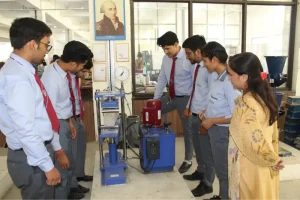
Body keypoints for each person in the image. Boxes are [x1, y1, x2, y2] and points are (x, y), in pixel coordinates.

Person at [0, 17, 66, 200]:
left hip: (34, 154)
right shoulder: (18, 78)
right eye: (46, 45)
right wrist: (47, 166)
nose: (46, 52)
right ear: (32, 44)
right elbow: (25, 128)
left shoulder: (22, 71)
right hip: (31, 160)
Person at [227, 52, 284, 200]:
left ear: (244, 77)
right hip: (263, 164)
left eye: (231, 74)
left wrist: (272, 159)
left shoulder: (246, 105)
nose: (229, 78)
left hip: (249, 166)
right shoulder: (264, 97)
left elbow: (254, 140)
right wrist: (272, 158)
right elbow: (271, 136)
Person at [41, 41, 91, 200]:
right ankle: (63, 195)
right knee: (63, 164)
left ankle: (69, 190)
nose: (81, 70)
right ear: (73, 64)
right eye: (81, 66)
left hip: (65, 122)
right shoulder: (51, 77)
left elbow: (63, 103)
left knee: (70, 161)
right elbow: (49, 114)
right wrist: (58, 149)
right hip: (56, 126)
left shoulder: (62, 74)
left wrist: (70, 121)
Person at [199, 41, 241, 200]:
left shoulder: (229, 83)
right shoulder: (217, 79)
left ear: (214, 60)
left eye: (205, 61)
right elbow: (218, 104)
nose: (204, 64)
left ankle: (226, 197)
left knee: (224, 170)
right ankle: (223, 195)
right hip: (215, 130)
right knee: (219, 166)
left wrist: (212, 120)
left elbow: (236, 115)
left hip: (223, 132)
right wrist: (206, 112)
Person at [182, 35, 218, 197]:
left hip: (205, 118)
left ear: (198, 51)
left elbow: (212, 95)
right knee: (199, 148)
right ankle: (200, 171)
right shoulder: (197, 66)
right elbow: (195, 90)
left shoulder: (210, 70)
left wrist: (207, 119)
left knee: (207, 152)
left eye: (189, 53)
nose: (187, 56)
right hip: (195, 115)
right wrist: (189, 106)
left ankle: (208, 183)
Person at [154, 31, 194, 173]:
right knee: (154, 110)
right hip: (171, 96)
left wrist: (191, 105)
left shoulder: (188, 58)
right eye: (164, 49)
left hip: (186, 99)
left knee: (188, 130)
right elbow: (162, 79)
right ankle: (154, 146)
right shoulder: (166, 59)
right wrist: (155, 100)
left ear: (176, 44)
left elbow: (195, 82)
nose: (166, 52)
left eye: (168, 48)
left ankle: (188, 159)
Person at [70, 56, 94, 192]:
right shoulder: (65, 78)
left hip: (78, 117)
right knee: (71, 152)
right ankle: (72, 184)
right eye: (84, 70)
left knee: (80, 148)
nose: (85, 74)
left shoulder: (75, 78)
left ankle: (79, 174)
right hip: (69, 118)